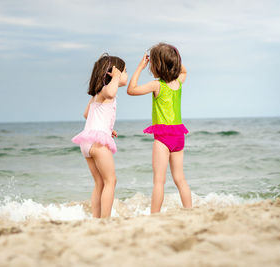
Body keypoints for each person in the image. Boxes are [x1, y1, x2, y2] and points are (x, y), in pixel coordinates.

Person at [127, 43, 192, 213]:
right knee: (180, 179)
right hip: (178, 135)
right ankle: (190, 211)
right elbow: (184, 71)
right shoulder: (179, 82)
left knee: (158, 181)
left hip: (163, 137)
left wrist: (140, 67)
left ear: (158, 65)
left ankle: (155, 215)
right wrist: (175, 59)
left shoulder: (157, 85)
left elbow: (131, 90)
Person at [72, 53, 128, 218]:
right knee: (111, 181)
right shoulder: (106, 90)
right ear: (113, 73)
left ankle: (96, 219)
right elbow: (110, 93)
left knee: (99, 183)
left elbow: (86, 114)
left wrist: (108, 128)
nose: (125, 75)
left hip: (87, 141)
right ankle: (105, 219)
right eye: (124, 72)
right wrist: (116, 78)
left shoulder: (97, 93)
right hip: (97, 142)